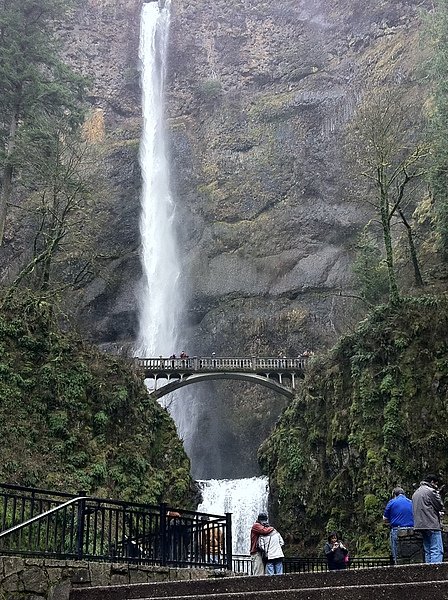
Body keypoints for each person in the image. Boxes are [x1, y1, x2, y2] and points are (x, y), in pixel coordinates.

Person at [412, 474, 445, 564]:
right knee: (436, 549)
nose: (437, 486)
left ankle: (428, 572)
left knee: (428, 550)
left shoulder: (416, 492)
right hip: (431, 524)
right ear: (432, 482)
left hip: (420, 525)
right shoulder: (430, 491)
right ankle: (436, 572)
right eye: (436, 484)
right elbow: (439, 506)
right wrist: (438, 493)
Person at [383, 486, 414, 563]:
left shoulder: (392, 502)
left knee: (397, 553)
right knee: (412, 552)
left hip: (397, 529)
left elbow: (384, 518)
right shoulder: (411, 502)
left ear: (394, 494)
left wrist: (391, 520)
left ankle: (398, 566)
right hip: (412, 529)